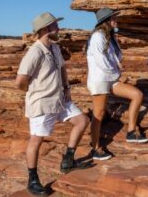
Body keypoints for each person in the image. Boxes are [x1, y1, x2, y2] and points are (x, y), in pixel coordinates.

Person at [16, 12, 90, 196]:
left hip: (60, 99)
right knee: (36, 140)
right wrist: (34, 93)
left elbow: (62, 68)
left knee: (82, 121)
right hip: (42, 103)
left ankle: (68, 161)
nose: (59, 28)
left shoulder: (55, 48)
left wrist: (66, 87)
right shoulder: (35, 52)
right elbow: (20, 81)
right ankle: (32, 179)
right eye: (55, 25)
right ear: (45, 29)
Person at [86, 8, 148, 161]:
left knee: (137, 95)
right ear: (106, 21)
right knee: (99, 114)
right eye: (114, 17)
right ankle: (95, 147)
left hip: (111, 79)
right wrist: (117, 72)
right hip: (100, 79)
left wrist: (116, 68)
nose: (116, 20)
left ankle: (131, 131)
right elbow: (101, 61)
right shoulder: (97, 37)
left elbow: (117, 58)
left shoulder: (110, 37)